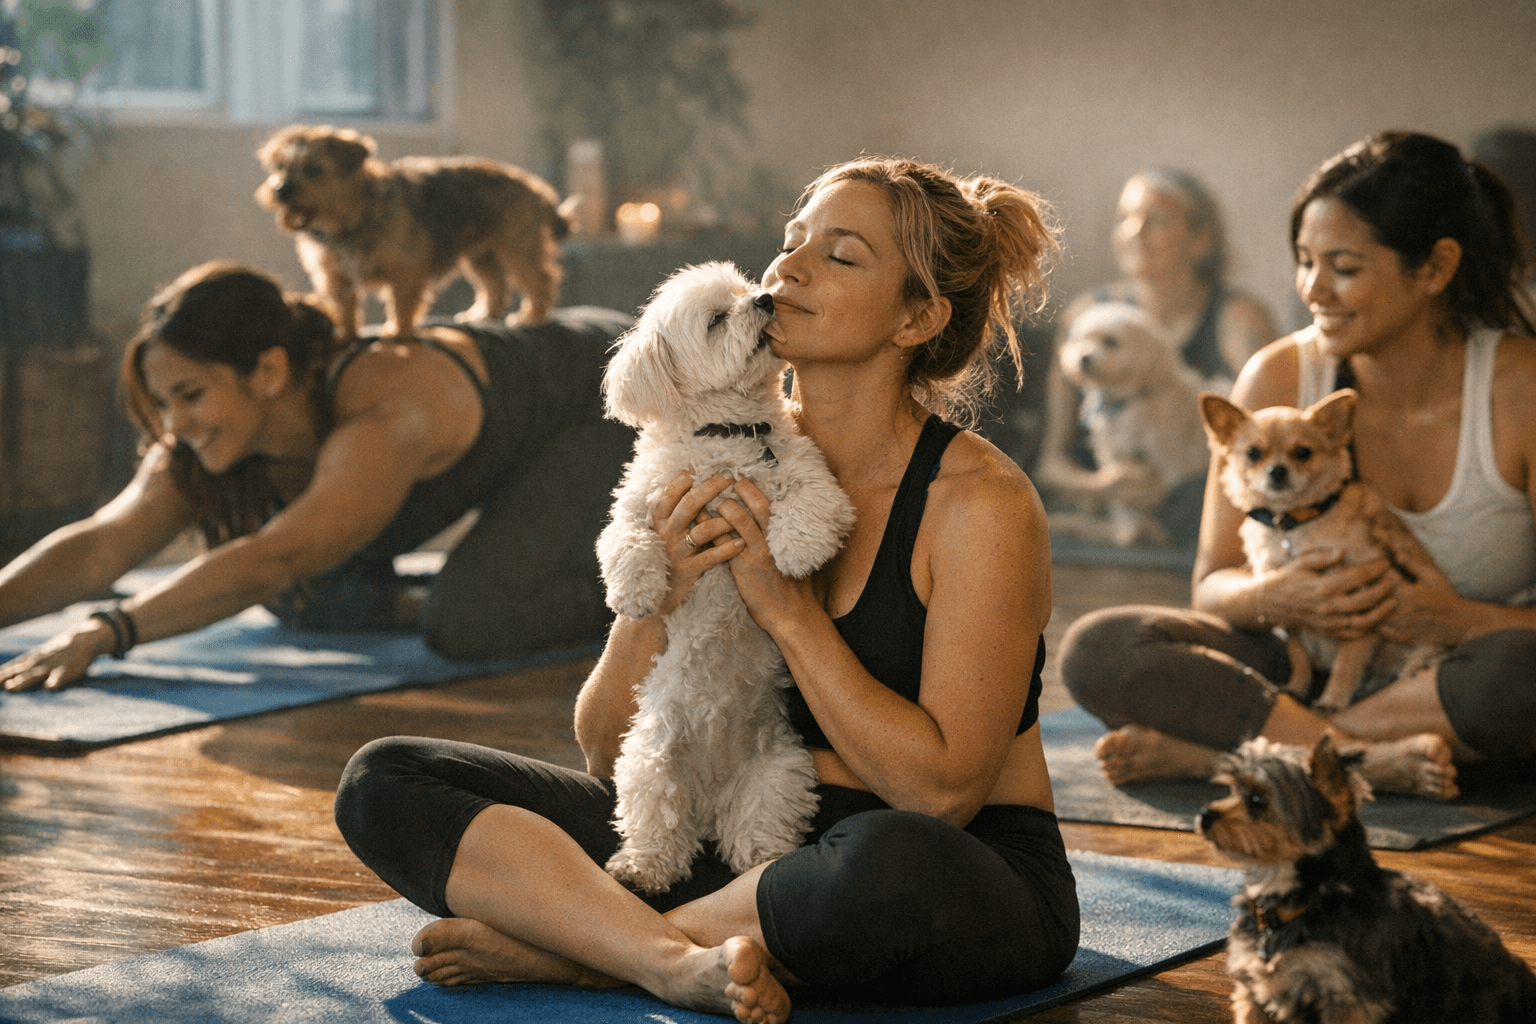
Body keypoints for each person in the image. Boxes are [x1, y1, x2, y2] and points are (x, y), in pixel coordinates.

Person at [333, 157, 1078, 1023]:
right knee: (386, 779)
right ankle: (669, 957)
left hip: (943, 869)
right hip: (733, 838)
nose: (786, 269)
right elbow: (606, 755)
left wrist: (787, 611)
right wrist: (660, 597)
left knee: (884, 859)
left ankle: (584, 952)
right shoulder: (709, 454)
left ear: (918, 317)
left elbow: (941, 795)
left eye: (839, 256)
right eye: (791, 242)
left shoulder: (978, 503)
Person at [1060, 131, 1536, 800]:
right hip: (1301, 655)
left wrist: (1456, 619)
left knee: (1522, 675)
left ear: (1434, 268)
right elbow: (1214, 584)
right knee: (1101, 648)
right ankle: (1351, 757)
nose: (1314, 289)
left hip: (1453, 671)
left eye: (1343, 267)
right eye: (1304, 261)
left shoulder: (1521, 387)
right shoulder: (1280, 375)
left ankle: (1236, 760)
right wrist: (1275, 597)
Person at [0, 262, 634, 691]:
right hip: (518, 429)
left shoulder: (387, 405)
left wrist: (109, 630)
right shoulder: (215, 435)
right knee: (311, 597)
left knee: (469, 622)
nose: (176, 424)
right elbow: (102, 544)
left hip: (606, 400)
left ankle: (661, 592)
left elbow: (281, 554)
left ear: (268, 372)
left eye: (189, 395)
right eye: (164, 402)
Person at [1034, 169, 1276, 544]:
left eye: (1156, 220)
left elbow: (1273, 443)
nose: (1134, 232)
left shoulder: (1238, 319)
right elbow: (1050, 466)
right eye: (1125, 219)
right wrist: (1101, 486)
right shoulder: (1086, 318)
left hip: (1211, 527)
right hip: (1110, 531)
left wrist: (1182, 483)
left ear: (1202, 239)